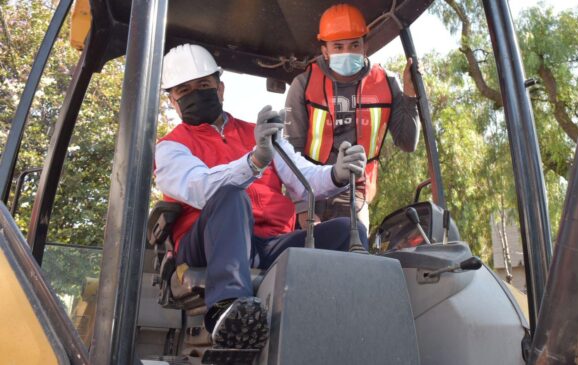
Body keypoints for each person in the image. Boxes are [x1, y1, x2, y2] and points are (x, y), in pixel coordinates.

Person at [154, 43, 368, 350]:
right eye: (184, 90)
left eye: (204, 85)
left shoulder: (262, 133)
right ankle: (228, 311)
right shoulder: (170, 148)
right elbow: (201, 187)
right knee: (231, 196)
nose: (195, 93)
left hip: (268, 244)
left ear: (221, 88)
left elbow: (304, 178)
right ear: (173, 102)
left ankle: (343, 324)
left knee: (348, 232)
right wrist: (253, 161)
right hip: (205, 244)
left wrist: (337, 173)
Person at [284, 3, 420, 230]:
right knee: (307, 262)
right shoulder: (304, 85)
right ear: (325, 51)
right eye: (338, 46)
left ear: (365, 46)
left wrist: (409, 95)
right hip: (312, 191)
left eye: (354, 44)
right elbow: (291, 151)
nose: (347, 52)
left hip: (355, 193)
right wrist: (303, 208)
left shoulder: (386, 83)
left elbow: (407, 143)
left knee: (355, 256)